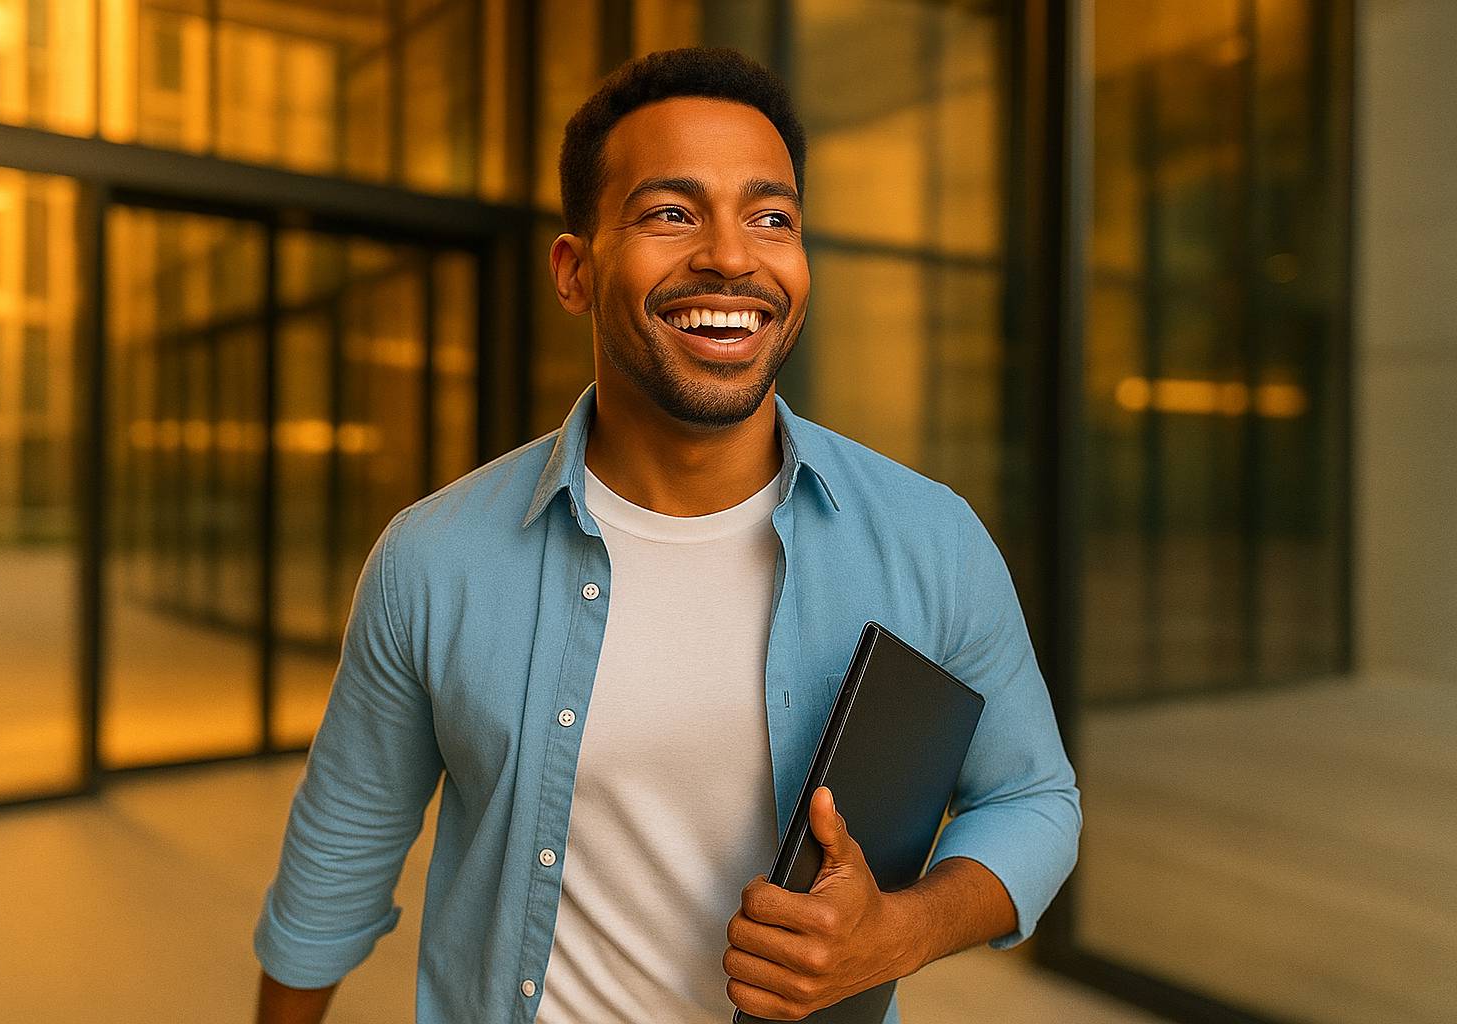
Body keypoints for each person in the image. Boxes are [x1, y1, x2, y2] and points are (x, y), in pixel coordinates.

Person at [253, 46, 1080, 1024]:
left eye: (771, 216)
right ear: (575, 269)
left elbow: (1033, 798)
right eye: (671, 212)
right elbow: (339, 857)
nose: (733, 255)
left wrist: (896, 933)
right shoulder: (433, 559)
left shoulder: (930, 537)